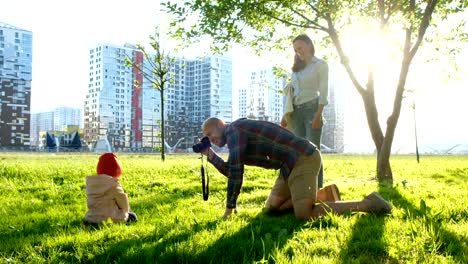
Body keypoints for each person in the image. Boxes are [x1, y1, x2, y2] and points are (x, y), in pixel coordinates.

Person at [201, 117, 392, 220]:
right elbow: (231, 169)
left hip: (302, 157)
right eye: (207, 138)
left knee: (304, 214)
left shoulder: (234, 130)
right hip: (287, 166)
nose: (211, 140)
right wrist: (210, 156)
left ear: (221, 125)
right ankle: (325, 195)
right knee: (272, 209)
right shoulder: (234, 136)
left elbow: (235, 173)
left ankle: (369, 204)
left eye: (211, 134)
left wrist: (229, 208)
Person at [281, 34, 328, 188]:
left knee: (314, 152)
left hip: (312, 110)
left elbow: (323, 92)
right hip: (296, 113)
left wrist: (318, 115)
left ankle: (318, 188)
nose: (298, 52)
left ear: (309, 45)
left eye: (300, 48)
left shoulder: (320, 65)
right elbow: (292, 94)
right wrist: (286, 115)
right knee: (299, 152)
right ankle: (303, 188)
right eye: (295, 50)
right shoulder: (296, 69)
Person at [84, 153, 137, 224]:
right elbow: (124, 204)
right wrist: (127, 210)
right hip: (110, 218)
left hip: (91, 218)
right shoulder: (113, 184)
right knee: (132, 216)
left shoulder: (90, 184)